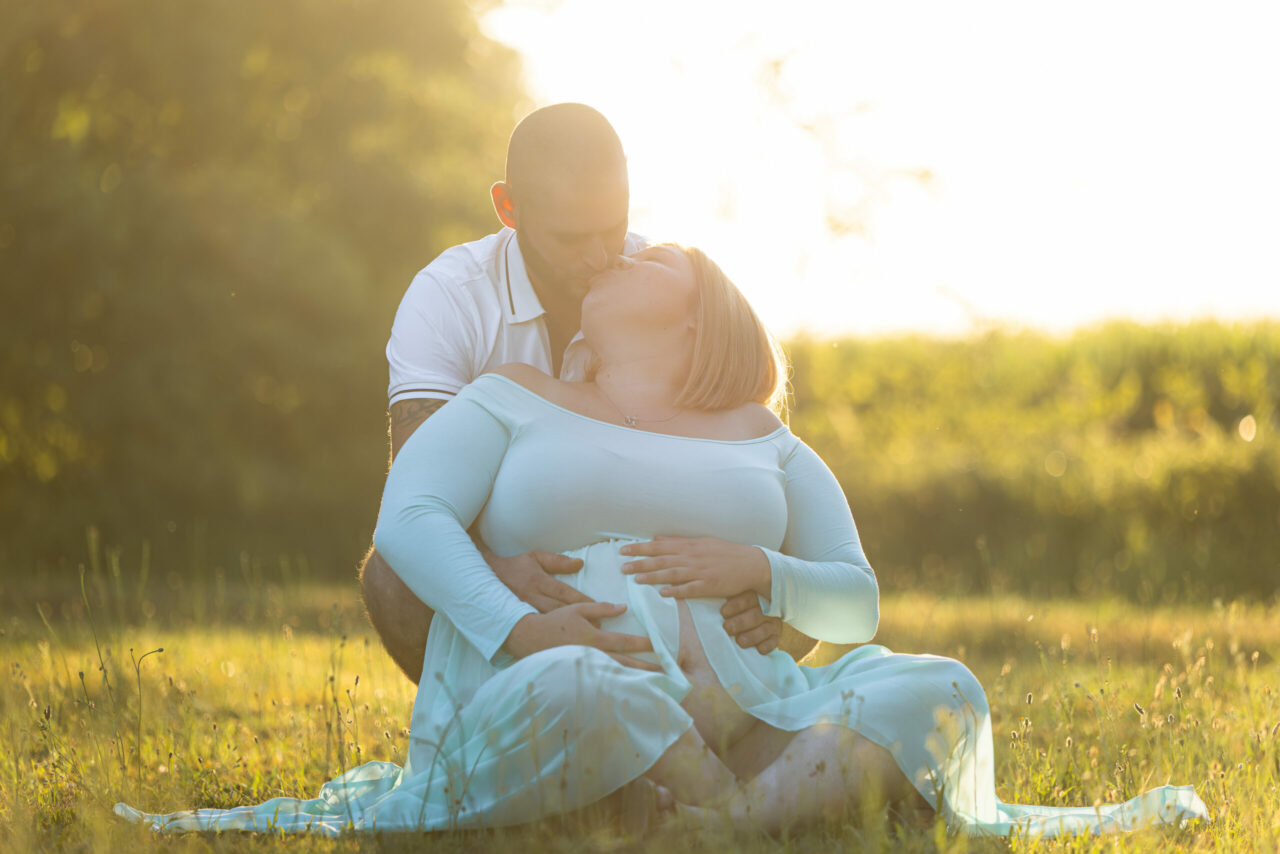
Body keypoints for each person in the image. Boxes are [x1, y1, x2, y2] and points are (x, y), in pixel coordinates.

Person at [116, 244, 1207, 837]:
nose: (624, 254)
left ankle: (710, 824)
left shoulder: (760, 437)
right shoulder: (511, 396)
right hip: (564, 685)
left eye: (653, 258)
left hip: (753, 714)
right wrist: (520, 623)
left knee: (941, 689)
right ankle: (720, 812)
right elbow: (407, 516)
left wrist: (763, 570)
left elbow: (855, 600)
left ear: (696, 314)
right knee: (588, 690)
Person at [359, 103, 810, 684]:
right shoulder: (449, 297)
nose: (601, 257)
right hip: (510, 546)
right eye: (572, 237)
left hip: (652, 554)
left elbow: (740, 447)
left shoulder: (661, 287)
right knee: (394, 575)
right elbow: (416, 482)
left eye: (613, 226)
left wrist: (764, 584)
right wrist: (493, 571)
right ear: (508, 208)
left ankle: (728, 714)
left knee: (797, 571)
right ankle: (476, 730)